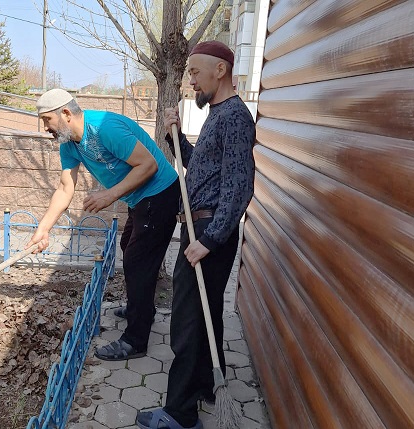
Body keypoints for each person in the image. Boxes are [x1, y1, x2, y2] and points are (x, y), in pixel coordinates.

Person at [136, 41, 255, 429]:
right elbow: (200, 169)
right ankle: (206, 385)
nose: (191, 81)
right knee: (206, 315)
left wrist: (209, 239)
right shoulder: (218, 115)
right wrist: (176, 138)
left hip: (207, 230)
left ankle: (180, 413)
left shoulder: (234, 117)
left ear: (220, 70)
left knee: (187, 321)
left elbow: (239, 186)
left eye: (194, 72)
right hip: (201, 226)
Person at [26, 88, 180, 361]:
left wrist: (109, 195)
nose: (46, 128)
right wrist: (44, 228)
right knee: (128, 248)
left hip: (160, 193)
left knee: (138, 262)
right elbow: (65, 188)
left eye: (47, 120)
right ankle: (141, 309)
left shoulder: (104, 128)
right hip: (139, 198)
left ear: (65, 113)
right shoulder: (70, 144)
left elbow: (148, 165)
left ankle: (135, 341)